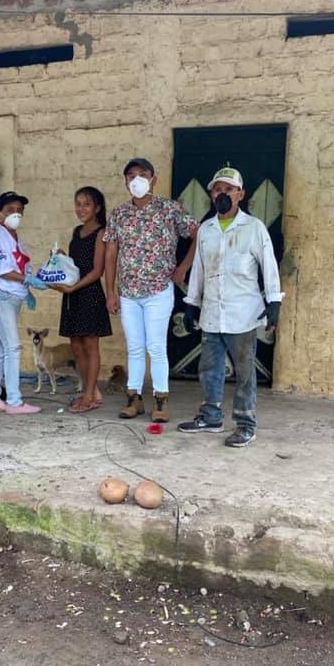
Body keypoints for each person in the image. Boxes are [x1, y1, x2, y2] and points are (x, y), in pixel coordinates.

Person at [177, 166, 284, 448]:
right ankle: (211, 417)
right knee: (209, 369)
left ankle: (245, 424)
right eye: (217, 189)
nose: (222, 194)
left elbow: (269, 265)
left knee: (245, 373)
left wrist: (274, 301)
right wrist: (191, 303)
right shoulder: (206, 230)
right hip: (213, 312)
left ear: (241, 194)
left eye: (228, 189)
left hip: (243, 314)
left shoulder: (254, 228)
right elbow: (199, 269)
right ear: (211, 195)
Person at [103, 157, 197, 423]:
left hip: (158, 290)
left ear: (153, 179)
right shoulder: (119, 214)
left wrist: (183, 267)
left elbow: (197, 234)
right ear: (125, 182)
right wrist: (110, 292)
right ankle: (133, 400)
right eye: (131, 175)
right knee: (134, 348)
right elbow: (111, 254)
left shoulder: (169, 209)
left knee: (156, 347)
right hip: (128, 293)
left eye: (143, 174)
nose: (137, 180)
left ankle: (160, 400)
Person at [49, 186, 112, 413]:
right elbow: (76, 265)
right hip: (72, 295)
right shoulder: (77, 231)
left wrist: (73, 287)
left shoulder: (101, 233)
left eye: (87, 204)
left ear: (97, 208)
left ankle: (89, 395)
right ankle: (90, 390)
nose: (81, 208)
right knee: (76, 345)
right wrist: (61, 259)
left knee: (90, 345)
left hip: (89, 293)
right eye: (78, 204)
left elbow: (97, 271)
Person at [0, 191, 46, 415]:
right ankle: (13, 401)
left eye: (20, 210)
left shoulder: (13, 235)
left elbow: (19, 265)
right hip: (3, 296)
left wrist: (26, 290)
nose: (16, 213)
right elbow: (2, 271)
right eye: (10, 210)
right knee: (14, 348)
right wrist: (27, 281)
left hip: (12, 296)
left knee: (0, 347)